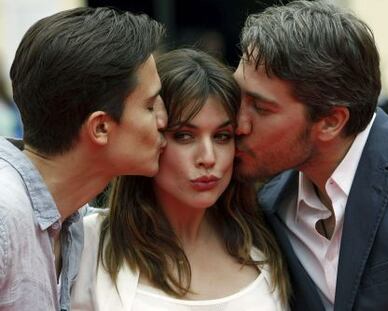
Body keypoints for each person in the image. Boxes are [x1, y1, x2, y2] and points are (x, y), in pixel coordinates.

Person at [70, 48, 290, 311]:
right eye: (184, 136)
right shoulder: (87, 243)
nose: (208, 158)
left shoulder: (270, 238)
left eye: (222, 136)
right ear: (153, 135)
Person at [234, 1, 388, 310]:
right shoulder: (268, 206)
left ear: (331, 122)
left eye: (260, 108)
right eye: (236, 96)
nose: (238, 123)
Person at [0, 7, 166, 311]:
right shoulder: (5, 213)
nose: (164, 119)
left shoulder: (74, 220)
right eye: (150, 105)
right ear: (100, 127)